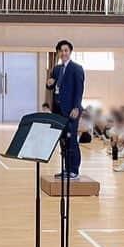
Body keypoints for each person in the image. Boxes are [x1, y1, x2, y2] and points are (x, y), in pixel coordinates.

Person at [46, 39, 85, 179]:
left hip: (71, 110)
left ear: (70, 52)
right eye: (61, 51)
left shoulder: (77, 68)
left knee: (71, 139)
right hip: (58, 110)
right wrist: (49, 84)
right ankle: (66, 169)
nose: (63, 53)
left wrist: (76, 107)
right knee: (62, 141)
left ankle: (74, 170)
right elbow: (53, 86)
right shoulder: (56, 69)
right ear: (58, 53)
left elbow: (79, 90)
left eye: (66, 50)